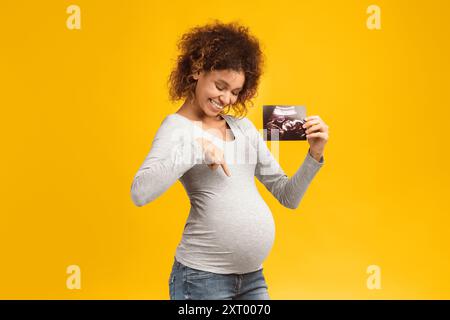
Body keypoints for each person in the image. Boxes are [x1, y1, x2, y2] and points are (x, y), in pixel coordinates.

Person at [130, 20, 329, 300]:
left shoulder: (243, 128)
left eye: (235, 92)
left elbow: (288, 196)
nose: (225, 99)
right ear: (197, 70)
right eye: (220, 86)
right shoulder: (176, 128)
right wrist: (196, 150)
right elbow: (140, 192)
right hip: (201, 280)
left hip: (252, 279)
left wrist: (315, 153)